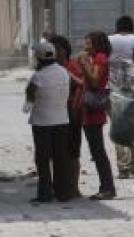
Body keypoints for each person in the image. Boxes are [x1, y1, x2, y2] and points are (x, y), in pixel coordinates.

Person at [23, 42, 72, 203]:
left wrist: (28, 105)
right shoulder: (64, 72)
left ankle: (45, 193)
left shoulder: (38, 76)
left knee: (43, 159)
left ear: (39, 57)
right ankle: (63, 192)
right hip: (62, 120)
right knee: (61, 157)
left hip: (42, 122)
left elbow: (29, 98)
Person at [78, 31, 116, 200]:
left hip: (95, 112)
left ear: (97, 44)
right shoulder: (95, 58)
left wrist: (84, 62)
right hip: (88, 111)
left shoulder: (100, 58)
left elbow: (94, 80)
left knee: (98, 151)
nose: (85, 47)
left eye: (88, 44)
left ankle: (107, 188)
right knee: (96, 151)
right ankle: (106, 187)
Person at [108, 16, 134, 179]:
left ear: (117, 28)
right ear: (132, 28)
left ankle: (123, 166)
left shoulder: (109, 40)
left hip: (114, 90)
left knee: (118, 127)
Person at [48, 35, 84, 199]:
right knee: (57, 153)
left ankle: (73, 188)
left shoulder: (72, 66)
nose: (55, 53)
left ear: (65, 50)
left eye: (58, 49)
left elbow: (80, 85)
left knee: (72, 152)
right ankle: (59, 187)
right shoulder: (48, 68)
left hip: (72, 113)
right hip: (54, 115)